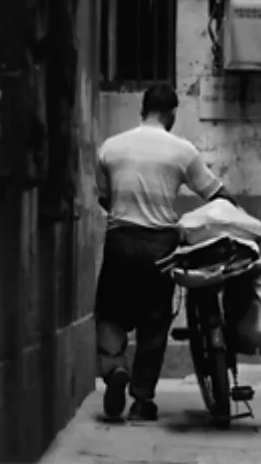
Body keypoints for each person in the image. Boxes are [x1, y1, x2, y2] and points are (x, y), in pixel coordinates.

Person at [95, 82, 233, 422]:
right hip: (161, 246)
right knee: (154, 321)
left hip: (121, 240)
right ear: (171, 114)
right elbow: (216, 194)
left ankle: (115, 371)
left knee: (110, 313)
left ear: (142, 109)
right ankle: (142, 399)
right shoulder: (182, 151)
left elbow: (104, 199)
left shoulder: (110, 148)